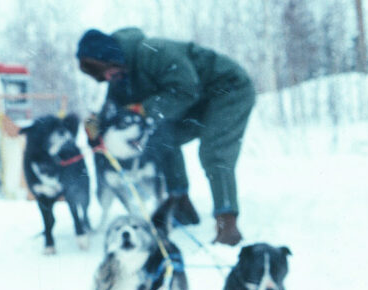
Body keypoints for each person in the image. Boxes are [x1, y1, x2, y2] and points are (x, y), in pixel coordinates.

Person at [77, 27, 256, 245]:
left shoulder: (154, 52)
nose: (108, 78)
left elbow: (186, 88)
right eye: (103, 78)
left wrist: (145, 108)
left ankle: (227, 224)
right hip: (196, 102)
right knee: (163, 139)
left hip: (227, 89)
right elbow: (114, 109)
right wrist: (96, 126)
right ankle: (179, 203)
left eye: (106, 71)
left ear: (111, 57)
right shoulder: (121, 75)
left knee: (214, 151)